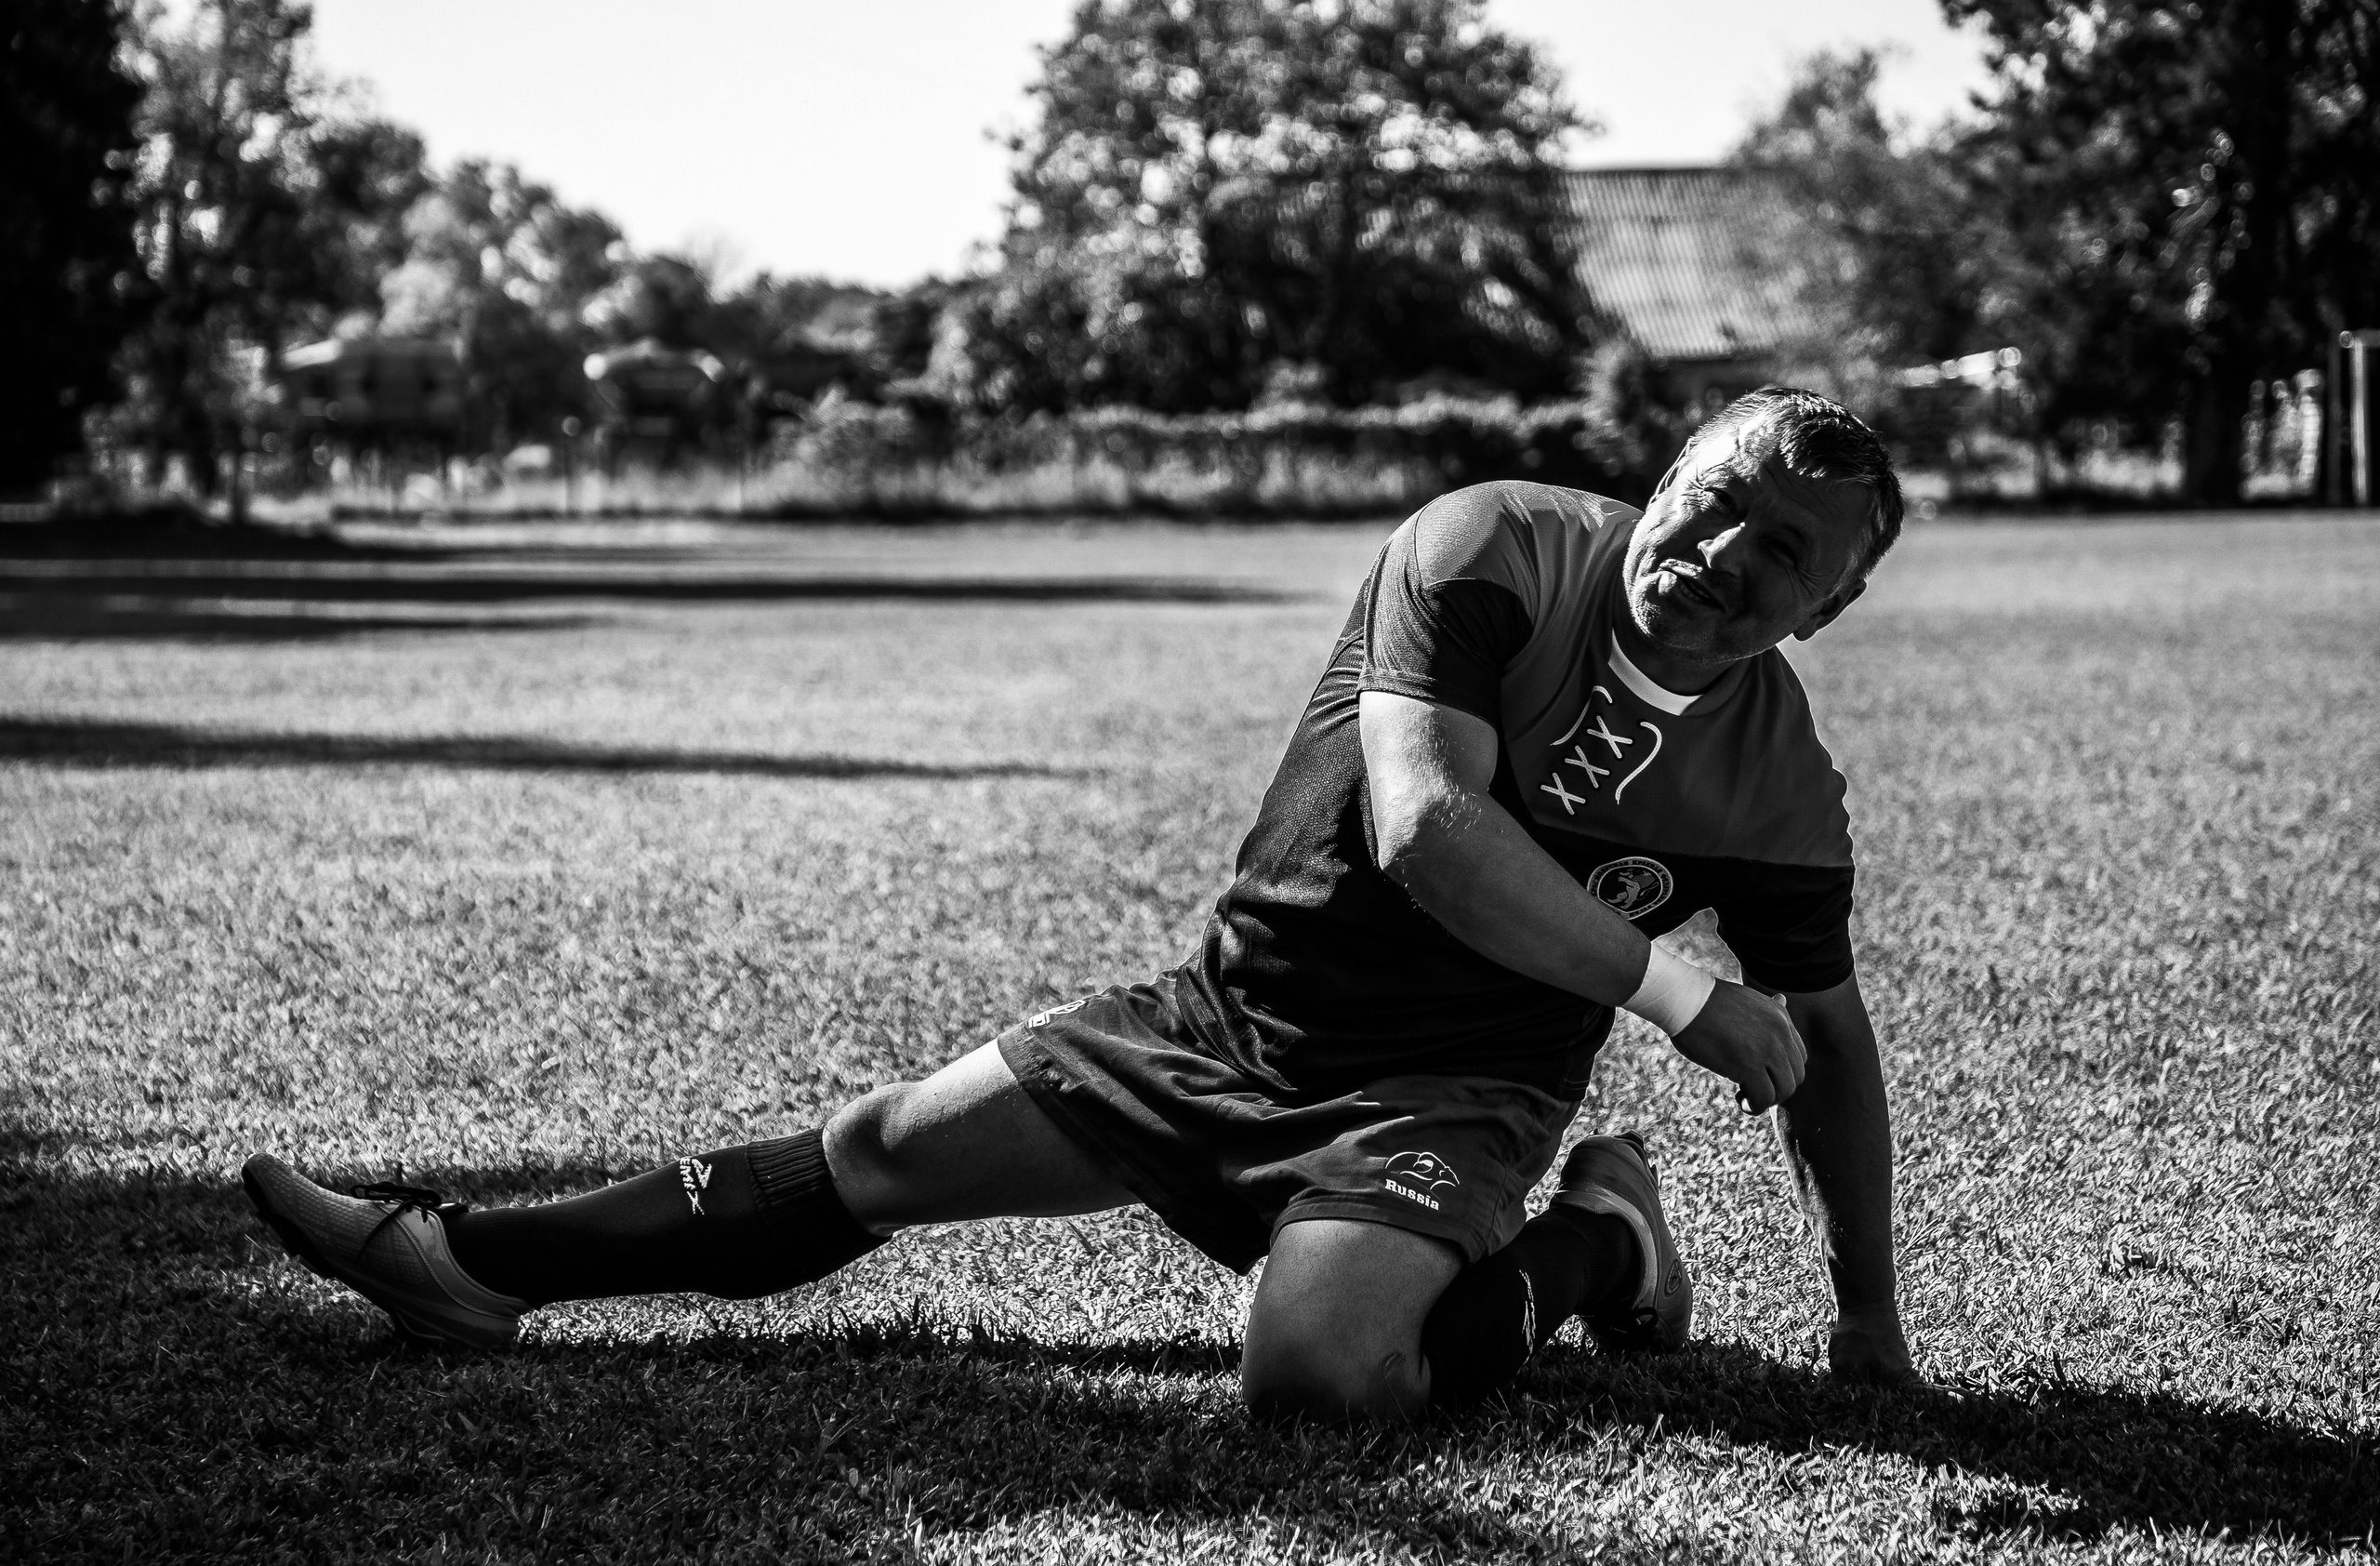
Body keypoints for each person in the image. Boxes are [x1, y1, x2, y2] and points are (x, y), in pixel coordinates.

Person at [245, 385, 1919, 1419]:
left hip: (1450, 1097)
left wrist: (1866, 1317)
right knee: (881, 1153)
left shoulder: (1778, 789)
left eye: (1782, 554)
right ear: (1671, 471)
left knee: (1324, 1378)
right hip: (1231, 1021)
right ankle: (469, 1261)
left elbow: (1833, 1051)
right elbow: (1425, 827)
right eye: (1716, 501)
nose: (1722, 554)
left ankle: (1594, 1246)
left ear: (1823, 610)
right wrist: (1687, 1000)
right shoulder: (1493, 544)